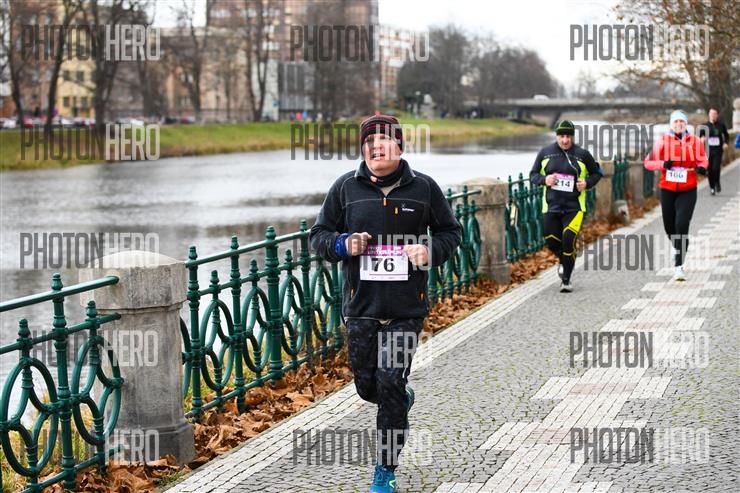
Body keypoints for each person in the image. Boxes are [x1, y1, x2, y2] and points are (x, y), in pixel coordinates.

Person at [310, 114, 462, 493]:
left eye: (383, 140)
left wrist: (428, 250)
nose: (375, 147)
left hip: (406, 308)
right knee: (368, 388)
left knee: (391, 381)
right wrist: (343, 244)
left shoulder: (423, 188)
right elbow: (318, 236)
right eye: (369, 142)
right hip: (361, 307)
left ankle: (385, 469)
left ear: (400, 146)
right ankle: (399, 400)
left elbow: (451, 232)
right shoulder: (345, 188)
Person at [529, 120, 602, 292]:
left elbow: (597, 172)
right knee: (552, 242)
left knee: (568, 240)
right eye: (561, 136)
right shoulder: (545, 153)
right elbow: (532, 175)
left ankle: (566, 280)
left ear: (572, 137)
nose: (565, 140)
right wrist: (544, 180)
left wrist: (587, 183)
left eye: (568, 136)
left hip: (574, 207)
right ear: (557, 136)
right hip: (551, 207)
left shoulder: (582, 154)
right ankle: (564, 259)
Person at [644, 110, 708, 281]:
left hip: (688, 188)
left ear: (686, 124)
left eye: (682, 121)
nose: (679, 124)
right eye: (676, 122)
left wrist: (702, 167)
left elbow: (703, 159)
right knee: (669, 226)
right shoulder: (663, 141)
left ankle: (679, 266)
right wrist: (663, 164)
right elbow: (648, 163)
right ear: (671, 124)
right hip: (667, 189)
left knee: (682, 223)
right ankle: (678, 245)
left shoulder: (694, 142)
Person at [697, 107, 730, 195]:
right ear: (709, 114)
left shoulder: (721, 125)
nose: (713, 115)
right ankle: (712, 187)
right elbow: (698, 137)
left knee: (716, 168)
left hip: (718, 150)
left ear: (717, 115)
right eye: (711, 113)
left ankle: (717, 182)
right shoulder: (704, 126)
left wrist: (725, 143)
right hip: (707, 151)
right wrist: (701, 139)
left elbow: (726, 135)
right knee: (710, 170)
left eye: (715, 114)